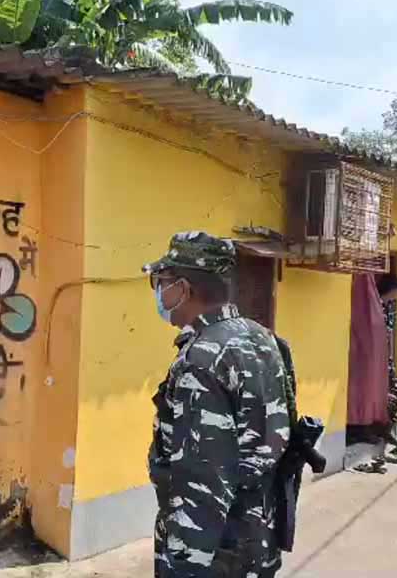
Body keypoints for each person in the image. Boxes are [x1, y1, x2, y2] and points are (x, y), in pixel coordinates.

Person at [145, 231, 291, 578]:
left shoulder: (202, 359)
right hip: (257, 537)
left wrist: (185, 567)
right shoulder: (264, 338)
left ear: (183, 288)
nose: (158, 293)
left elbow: (202, 482)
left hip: (216, 552)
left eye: (161, 282)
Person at [376, 272, 397, 441]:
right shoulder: (376, 306)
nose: (396, 296)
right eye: (396, 292)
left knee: (393, 390)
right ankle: (381, 428)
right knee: (389, 390)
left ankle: (387, 427)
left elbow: (390, 331)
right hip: (377, 356)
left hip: (387, 356)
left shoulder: (389, 306)